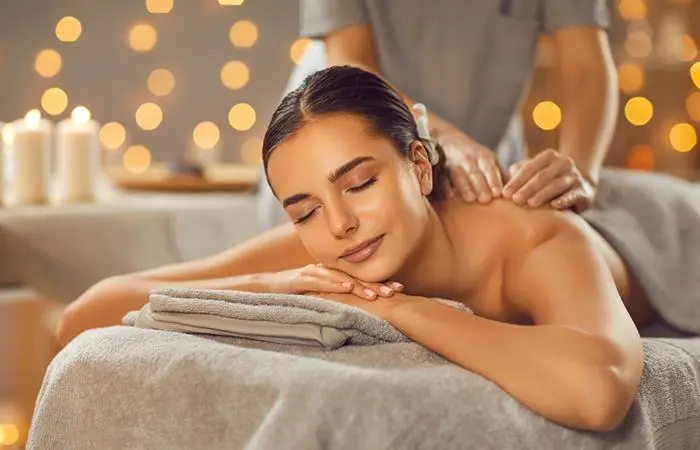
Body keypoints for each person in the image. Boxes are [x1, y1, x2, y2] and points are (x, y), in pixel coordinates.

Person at [59, 66, 655, 431]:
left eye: (361, 182)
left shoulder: (535, 235)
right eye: (306, 209)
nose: (339, 223)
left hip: (658, 235)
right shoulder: (323, 246)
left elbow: (597, 389)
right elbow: (84, 315)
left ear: (419, 168)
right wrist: (263, 286)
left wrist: (402, 311)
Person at [258, 0, 619, 229]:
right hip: (340, 131)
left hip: (485, 157)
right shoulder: (337, 209)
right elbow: (351, 58)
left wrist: (583, 173)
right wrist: (437, 134)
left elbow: (587, 66)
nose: (340, 226)